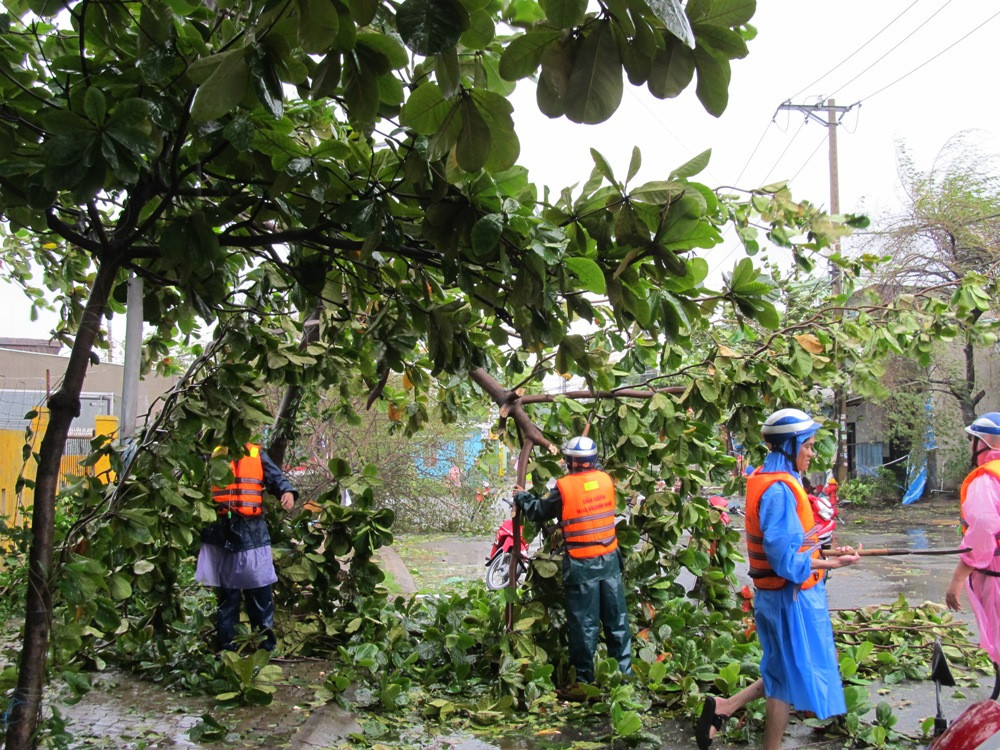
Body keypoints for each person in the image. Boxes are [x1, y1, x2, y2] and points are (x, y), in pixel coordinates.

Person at [696, 409, 861, 750]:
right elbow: (786, 562)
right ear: (790, 445)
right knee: (784, 678)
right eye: (809, 446)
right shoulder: (780, 491)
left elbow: (795, 544)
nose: (812, 453)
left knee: (781, 669)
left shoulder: (767, 478)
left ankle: (724, 707)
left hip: (779, 596)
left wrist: (827, 553)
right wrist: (834, 565)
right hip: (789, 597)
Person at [513, 435, 632, 685]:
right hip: (609, 561)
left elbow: (538, 511)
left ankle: (584, 681)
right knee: (617, 621)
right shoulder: (605, 480)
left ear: (568, 461)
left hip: (582, 565)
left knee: (584, 626)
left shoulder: (565, 487)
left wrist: (523, 497)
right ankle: (624, 678)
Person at [196, 442, 297, 653]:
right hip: (221, 529)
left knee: (260, 593)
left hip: (253, 530)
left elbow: (276, 477)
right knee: (228, 597)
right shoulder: (210, 450)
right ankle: (227, 651)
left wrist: (286, 491)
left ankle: (264, 649)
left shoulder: (255, 452)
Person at [945, 412, 1000, 671]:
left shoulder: (987, 479)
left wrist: (958, 578)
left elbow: (982, 530)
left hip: (995, 574)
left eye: (972, 439)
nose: (970, 445)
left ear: (984, 442)